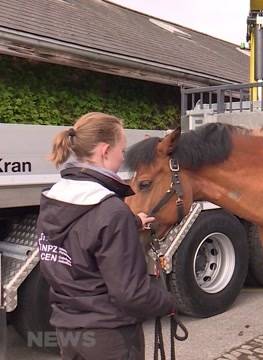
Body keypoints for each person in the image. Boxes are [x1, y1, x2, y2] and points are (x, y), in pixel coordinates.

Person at [37, 112, 175, 360]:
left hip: (67, 331)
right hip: (109, 336)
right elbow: (130, 294)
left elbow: (84, 232)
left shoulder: (54, 198)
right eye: (122, 151)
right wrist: (168, 302)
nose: (123, 158)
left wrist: (134, 221)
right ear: (104, 151)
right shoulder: (111, 211)